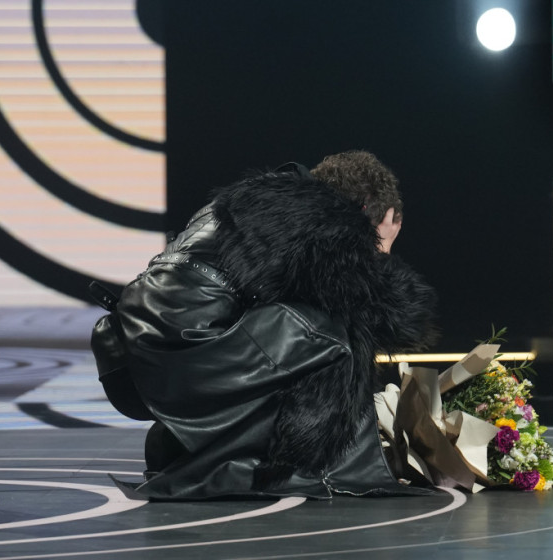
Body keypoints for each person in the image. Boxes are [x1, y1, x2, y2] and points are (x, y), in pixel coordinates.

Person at [90, 150, 439, 500]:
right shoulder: (327, 219)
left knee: (302, 323)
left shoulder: (268, 199)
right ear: (364, 211)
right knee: (334, 334)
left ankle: (181, 447)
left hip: (140, 350)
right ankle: (302, 466)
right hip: (187, 348)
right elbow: (400, 320)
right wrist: (380, 248)